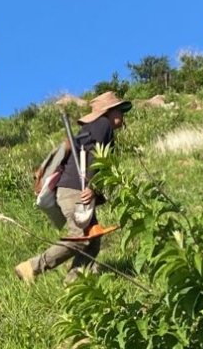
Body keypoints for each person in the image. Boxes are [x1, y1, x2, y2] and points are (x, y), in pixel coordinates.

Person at [14, 90, 132, 284]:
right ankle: (32, 267)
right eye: (119, 110)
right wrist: (93, 187)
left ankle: (74, 283)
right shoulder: (103, 125)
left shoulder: (94, 127)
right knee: (82, 237)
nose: (122, 115)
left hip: (74, 188)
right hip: (75, 189)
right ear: (108, 112)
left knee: (92, 241)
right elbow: (96, 156)